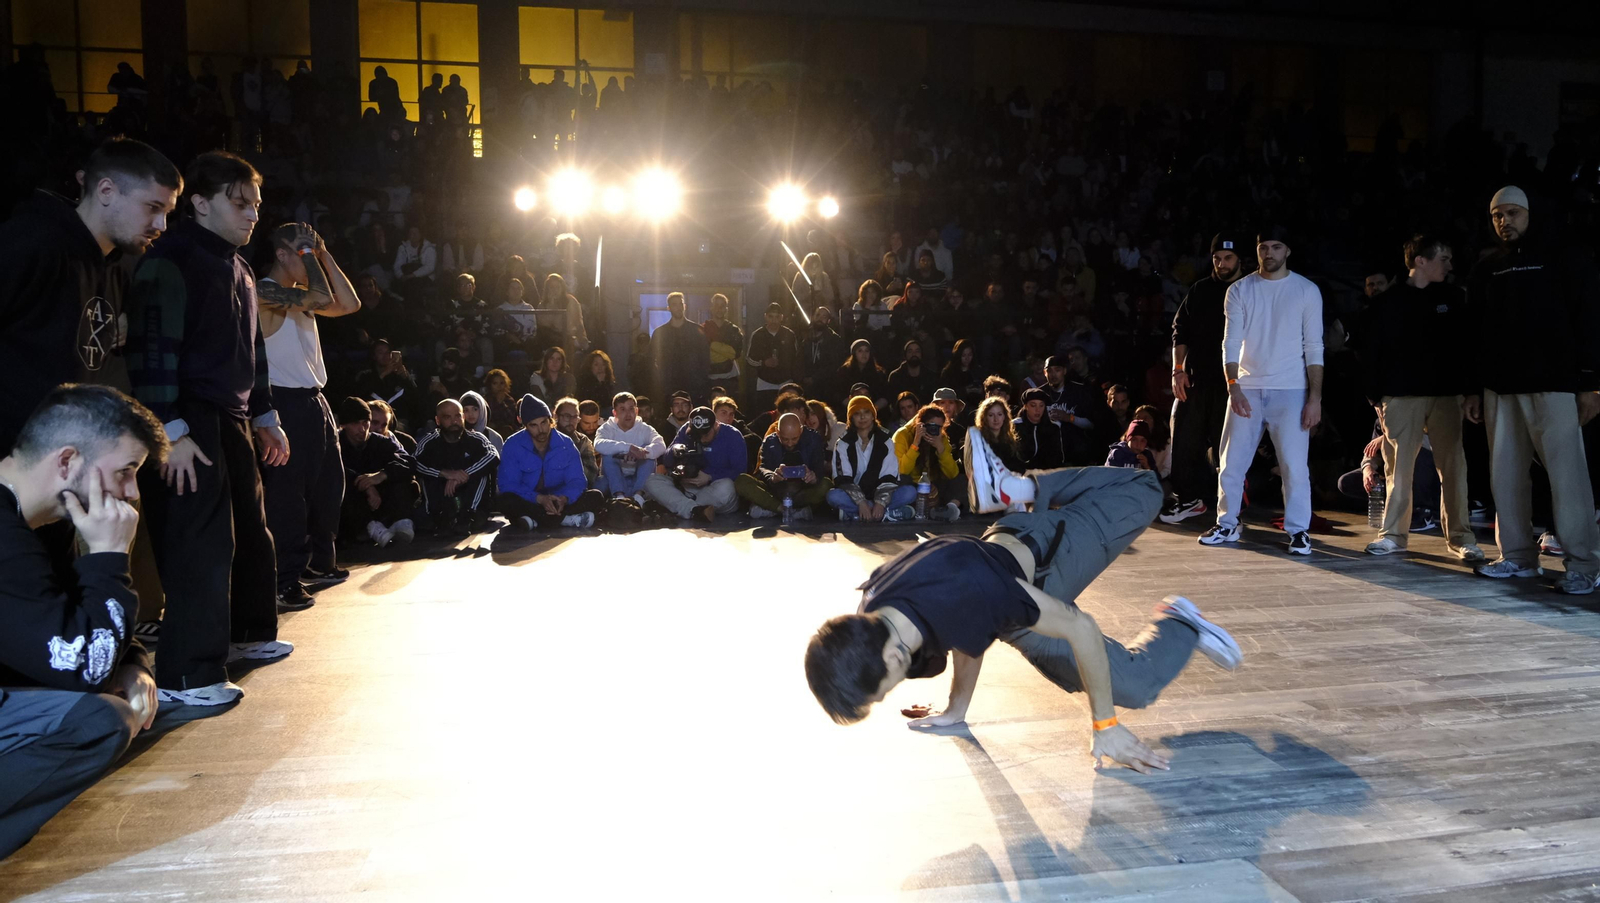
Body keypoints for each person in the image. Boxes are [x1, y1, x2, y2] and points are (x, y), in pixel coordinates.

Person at [805, 449, 1240, 775]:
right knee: (1109, 677)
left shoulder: (969, 593)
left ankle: (1179, 622)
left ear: (894, 658)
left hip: (1047, 556)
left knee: (1145, 488)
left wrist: (1105, 724)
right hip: (1000, 562)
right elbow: (963, 630)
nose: (886, 695)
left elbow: (1079, 627)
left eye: (881, 691)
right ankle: (1023, 496)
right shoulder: (872, 613)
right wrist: (957, 709)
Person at [125, 151, 292, 707]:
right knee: (200, 540)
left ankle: (248, 635)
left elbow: (253, 351)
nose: (251, 216)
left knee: (248, 526)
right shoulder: (169, 260)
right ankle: (186, 675)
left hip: (232, 414)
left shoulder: (240, 268)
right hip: (186, 412)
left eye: (256, 206)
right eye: (239, 203)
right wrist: (168, 429)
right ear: (198, 203)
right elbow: (149, 350)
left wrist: (265, 415)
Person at [0, 385, 167, 858]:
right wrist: (112, 556)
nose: (132, 494)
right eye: (125, 472)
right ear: (68, 461)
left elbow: (71, 611)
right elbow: (83, 666)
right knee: (98, 722)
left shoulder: (33, 523)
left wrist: (133, 662)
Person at [0, 138, 181, 456]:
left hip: (65, 468)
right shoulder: (31, 243)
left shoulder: (116, 267)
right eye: (153, 208)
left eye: (167, 212)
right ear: (107, 191)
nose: (161, 225)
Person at [1465, 187, 1600, 591]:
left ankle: (1585, 566)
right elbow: (1476, 335)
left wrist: (1591, 383)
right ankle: (1519, 557)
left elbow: (1589, 318)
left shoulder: (1567, 258)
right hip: (1500, 390)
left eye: (1512, 213)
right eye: (1497, 215)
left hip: (1555, 385)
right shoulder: (1487, 268)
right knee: (1505, 476)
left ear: (1531, 214)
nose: (1504, 221)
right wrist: (1474, 387)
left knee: (1568, 478)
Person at [256, 222, 362, 609]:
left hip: (314, 398)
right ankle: (285, 579)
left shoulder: (301, 294)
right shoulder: (263, 290)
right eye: (301, 252)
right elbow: (322, 294)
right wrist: (307, 252)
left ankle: (319, 563)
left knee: (328, 486)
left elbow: (349, 304)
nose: (310, 259)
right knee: (287, 496)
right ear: (282, 254)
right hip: (282, 400)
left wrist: (322, 252)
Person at [1200, 227, 1324, 555]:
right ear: (1256, 251)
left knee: (1294, 466)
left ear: (1287, 251)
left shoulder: (1306, 290)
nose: (1269, 253)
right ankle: (1226, 523)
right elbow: (1230, 341)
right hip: (1247, 387)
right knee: (1231, 462)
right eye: (1264, 247)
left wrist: (1315, 398)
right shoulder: (1239, 290)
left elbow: (1314, 347)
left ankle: (1299, 531)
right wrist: (1233, 386)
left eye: (1276, 247)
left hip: (1291, 389)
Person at [1357, 235, 1481, 560]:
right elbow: (1371, 352)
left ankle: (1461, 538)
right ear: (1421, 261)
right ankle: (1393, 536)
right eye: (1444, 258)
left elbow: (1466, 349)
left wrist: (1470, 391)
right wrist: (1376, 400)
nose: (1450, 265)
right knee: (1397, 470)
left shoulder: (1454, 297)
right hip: (1399, 396)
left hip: (1446, 397)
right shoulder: (1388, 301)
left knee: (1453, 466)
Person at [1163, 233, 1246, 524]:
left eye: (1228, 258)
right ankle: (1188, 500)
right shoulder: (1199, 290)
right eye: (1217, 258)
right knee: (1184, 436)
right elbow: (1180, 331)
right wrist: (1177, 370)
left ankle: (1231, 507)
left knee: (1230, 446)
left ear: (1239, 260)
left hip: (1236, 383)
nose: (1222, 264)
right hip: (1197, 378)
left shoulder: (1250, 289)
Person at [495, 395, 603, 531]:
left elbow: (577, 480)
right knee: (505, 500)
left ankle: (536, 520)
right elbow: (508, 484)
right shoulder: (512, 444)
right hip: (530, 500)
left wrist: (564, 498)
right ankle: (564, 520)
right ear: (525, 426)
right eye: (533, 425)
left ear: (551, 421)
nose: (541, 430)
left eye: (544, 423)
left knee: (596, 496)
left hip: (559, 500)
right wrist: (539, 499)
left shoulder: (565, 443)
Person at [334, 396, 415, 548]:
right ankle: (369, 528)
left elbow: (408, 462)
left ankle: (400, 521)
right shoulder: (336, 444)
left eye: (365, 423)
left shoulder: (381, 442)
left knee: (406, 482)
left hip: (382, 499)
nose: (362, 429)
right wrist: (365, 484)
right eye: (355, 423)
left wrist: (382, 475)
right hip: (354, 502)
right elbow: (333, 469)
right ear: (344, 425)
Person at [645, 406, 749, 522]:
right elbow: (667, 461)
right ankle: (695, 511)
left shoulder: (733, 435)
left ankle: (676, 506)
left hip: (715, 490)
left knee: (727, 487)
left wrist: (710, 476)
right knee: (652, 480)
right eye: (697, 434)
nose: (702, 439)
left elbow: (740, 471)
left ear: (716, 425)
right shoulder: (686, 430)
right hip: (688, 487)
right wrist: (674, 451)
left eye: (706, 434)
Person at [412, 398, 500, 535]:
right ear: (437, 420)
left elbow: (493, 456)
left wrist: (463, 475)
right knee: (429, 474)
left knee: (482, 470)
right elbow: (415, 462)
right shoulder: (429, 442)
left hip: (472, 500)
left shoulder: (476, 439)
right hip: (443, 497)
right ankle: (439, 516)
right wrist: (444, 473)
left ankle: (469, 515)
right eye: (447, 417)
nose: (454, 421)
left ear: (463, 417)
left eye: (458, 416)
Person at [828, 395, 917, 522]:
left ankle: (858, 515)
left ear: (873, 415)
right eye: (857, 413)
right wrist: (861, 502)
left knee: (910, 492)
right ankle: (886, 514)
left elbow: (889, 476)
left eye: (866, 412)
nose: (862, 417)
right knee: (833, 496)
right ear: (851, 418)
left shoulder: (885, 441)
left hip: (881, 495)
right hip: (854, 496)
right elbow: (842, 479)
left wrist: (880, 503)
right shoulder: (843, 443)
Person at [737, 413, 832, 518]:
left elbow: (819, 466)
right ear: (777, 432)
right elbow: (763, 468)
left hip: (802, 492)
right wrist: (772, 477)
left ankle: (773, 509)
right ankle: (782, 509)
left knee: (826, 485)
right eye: (785, 439)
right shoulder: (769, 441)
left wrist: (814, 477)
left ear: (801, 430)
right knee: (741, 481)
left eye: (795, 438)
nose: (790, 443)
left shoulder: (813, 439)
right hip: (776, 491)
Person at [893, 404, 963, 520]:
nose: (934, 430)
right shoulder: (903, 435)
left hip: (934, 484)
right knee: (904, 484)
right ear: (921, 424)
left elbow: (952, 473)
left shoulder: (941, 438)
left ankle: (948, 509)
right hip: (914, 486)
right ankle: (926, 510)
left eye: (939, 427)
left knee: (961, 480)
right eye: (931, 426)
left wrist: (941, 449)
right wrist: (915, 444)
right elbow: (901, 470)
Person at [593, 392, 666, 503]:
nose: (628, 414)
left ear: (636, 411)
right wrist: (628, 448)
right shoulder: (607, 428)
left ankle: (638, 498)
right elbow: (598, 444)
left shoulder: (644, 428)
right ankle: (620, 498)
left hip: (639, 481)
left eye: (631, 409)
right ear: (615, 413)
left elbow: (660, 444)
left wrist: (643, 452)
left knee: (649, 452)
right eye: (622, 409)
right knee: (607, 454)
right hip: (613, 481)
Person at [653, 292, 709, 404]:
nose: (678, 307)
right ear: (669, 308)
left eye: (680, 304)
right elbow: (652, 359)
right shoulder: (660, 333)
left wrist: (701, 382)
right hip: (668, 387)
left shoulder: (697, 331)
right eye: (674, 304)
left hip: (694, 386)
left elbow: (705, 359)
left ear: (685, 306)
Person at [352, 339, 420, 430]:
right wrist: (383, 374)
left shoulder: (399, 375)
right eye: (380, 352)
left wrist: (406, 377)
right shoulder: (365, 376)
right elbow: (360, 394)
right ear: (374, 356)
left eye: (388, 352)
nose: (385, 356)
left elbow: (415, 398)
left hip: (399, 420)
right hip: (373, 421)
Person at [746, 302, 798, 411]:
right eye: (771, 316)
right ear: (765, 316)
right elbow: (749, 359)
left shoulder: (789, 334)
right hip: (765, 382)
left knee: (787, 412)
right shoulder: (758, 335)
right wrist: (763, 363)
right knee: (765, 413)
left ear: (781, 318)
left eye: (777, 317)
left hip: (785, 381)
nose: (774, 320)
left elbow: (796, 358)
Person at [552, 397, 600, 490]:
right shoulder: (545, 438)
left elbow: (591, 474)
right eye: (567, 416)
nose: (571, 421)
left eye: (575, 417)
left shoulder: (582, 441)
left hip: (574, 489)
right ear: (556, 416)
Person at [1013, 387, 1066, 471]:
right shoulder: (1015, 426)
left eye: (1041, 405)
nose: (1038, 410)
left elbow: (1057, 458)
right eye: (1033, 405)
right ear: (1025, 406)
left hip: (1046, 475)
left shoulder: (1053, 428)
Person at [702, 293, 744, 391]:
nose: (719, 309)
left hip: (730, 379)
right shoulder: (703, 329)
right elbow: (701, 354)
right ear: (711, 308)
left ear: (726, 309)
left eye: (722, 306)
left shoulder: (734, 330)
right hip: (709, 379)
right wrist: (726, 352)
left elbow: (735, 353)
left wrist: (712, 346)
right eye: (716, 305)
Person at [888, 340, 939, 410]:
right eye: (910, 351)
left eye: (917, 351)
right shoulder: (895, 376)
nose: (914, 354)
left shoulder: (931, 376)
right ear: (905, 355)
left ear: (921, 354)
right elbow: (893, 402)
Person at [575, 350, 617, 414]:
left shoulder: (609, 382)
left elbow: (607, 402)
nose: (600, 368)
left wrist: (602, 384)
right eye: (596, 365)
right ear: (590, 366)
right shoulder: (583, 382)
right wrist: (597, 384)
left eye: (603, 364)